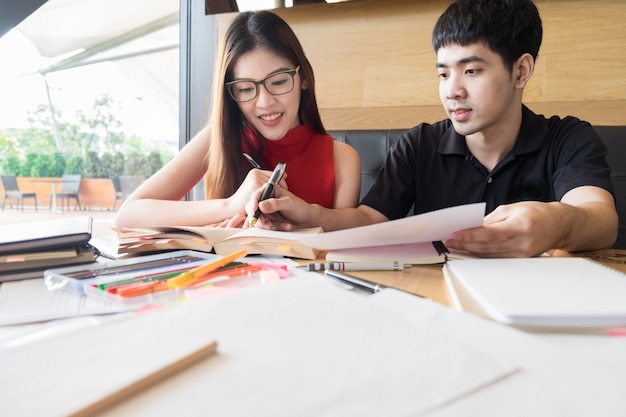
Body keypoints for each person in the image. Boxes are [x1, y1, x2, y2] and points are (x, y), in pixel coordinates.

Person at [247, 0, 618, 258]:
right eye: (443, 73)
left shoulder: (567, 138)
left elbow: (600, 219)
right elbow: (367, 219)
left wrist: (558, 222)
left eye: (471, 71)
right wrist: (312, 215)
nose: (452, 91)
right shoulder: (419, 144)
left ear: (520, 70)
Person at [115, 11, 361, 229]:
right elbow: (128, 214)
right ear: (231, 95)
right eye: (245, 89)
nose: (264, 102)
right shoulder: (218, 138)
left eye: (278, 82)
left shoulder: (342, 159)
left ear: (303, 78)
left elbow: (338, 250)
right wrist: (231, 205)